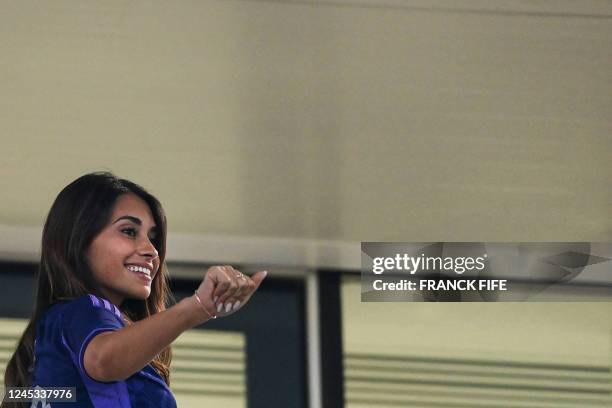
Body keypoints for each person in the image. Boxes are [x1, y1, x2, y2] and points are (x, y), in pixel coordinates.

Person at [2, 172, 266, 407]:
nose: (151, 251)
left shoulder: (56, 330)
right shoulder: (82, 310)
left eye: (153, 238)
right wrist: (199, 307)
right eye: (129, 231)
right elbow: (104, 360)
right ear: (79, 242)